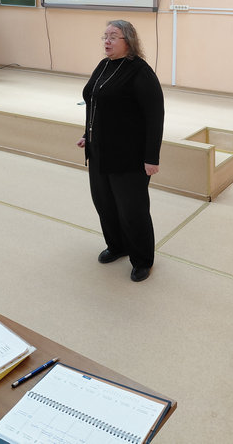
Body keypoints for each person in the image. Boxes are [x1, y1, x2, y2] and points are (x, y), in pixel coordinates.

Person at [77, 20, 164, 283]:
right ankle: (117, 246)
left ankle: (142, 260)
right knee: (105, 204)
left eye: (113, 36)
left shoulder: (140, 72)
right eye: (105, 36)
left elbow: (155, 116)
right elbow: (94, 102)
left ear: (129, 41)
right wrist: (87, 135)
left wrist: (151, 157)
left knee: (132, 210)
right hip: (100, 152)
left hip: (129, 156)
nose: (107, 41)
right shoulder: (104, 65)